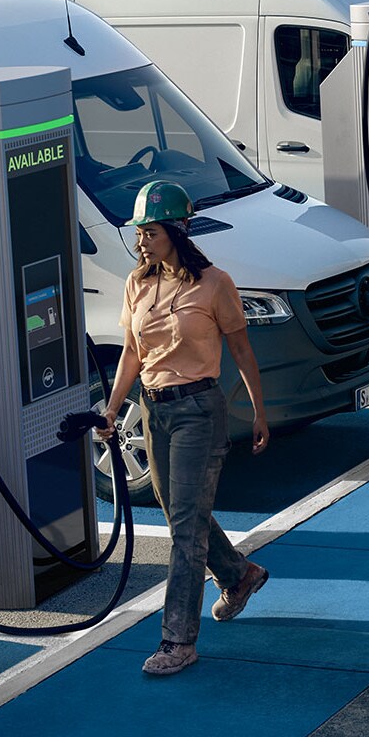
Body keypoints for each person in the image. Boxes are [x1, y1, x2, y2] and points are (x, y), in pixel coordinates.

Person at [99, 173, 267, 677]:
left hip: (198, 410)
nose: (141, 239)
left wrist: (259, 411)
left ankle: (178, 640)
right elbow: (132, 353)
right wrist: (112, 409)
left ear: (177, 230)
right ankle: (239, 574)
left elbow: (241, 351)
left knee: (185, 534)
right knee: (181, 519)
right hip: (154, 410)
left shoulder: (215, 284)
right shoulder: (136, 284)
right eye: (139, 231)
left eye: (151, 231)